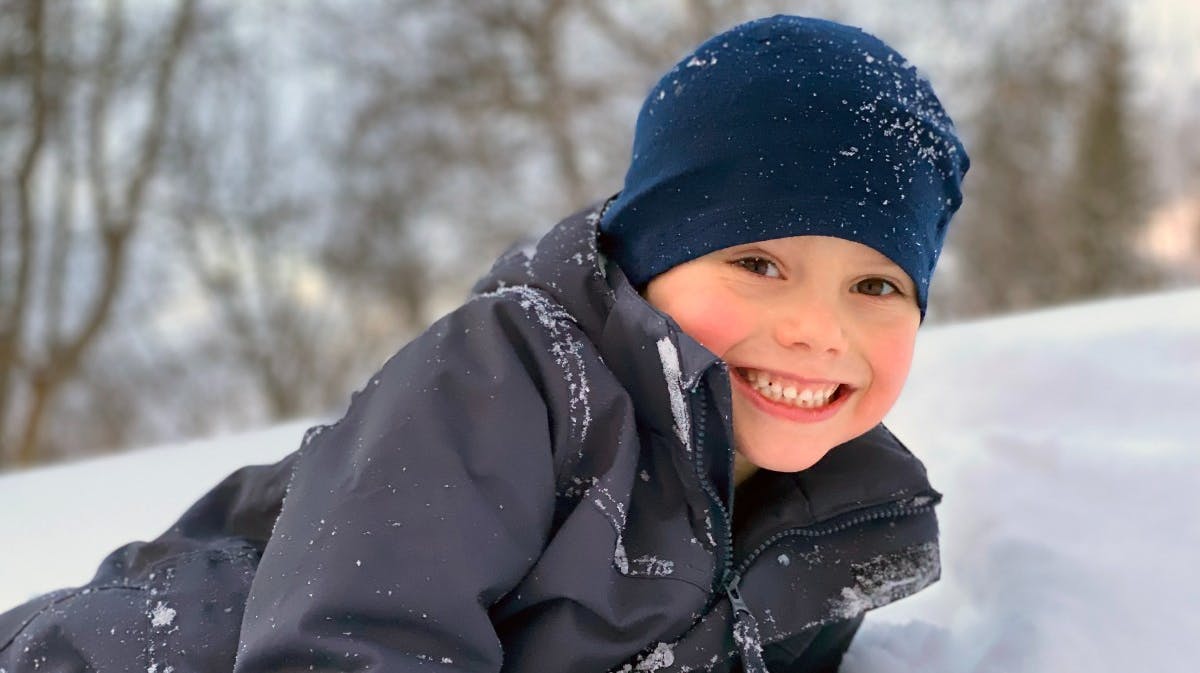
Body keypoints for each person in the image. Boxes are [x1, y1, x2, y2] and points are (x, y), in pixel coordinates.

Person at [0, 14, 968, 673]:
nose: (819, 328)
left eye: (877, 284)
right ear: (647, 259)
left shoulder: (852, 522)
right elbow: (353, 641)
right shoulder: (513, 383)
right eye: (758, 263)